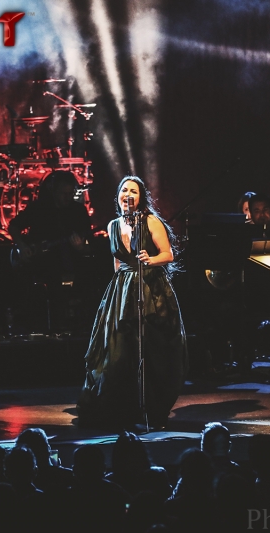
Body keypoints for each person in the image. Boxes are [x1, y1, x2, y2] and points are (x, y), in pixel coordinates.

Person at [77, 176, 188, 429]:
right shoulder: (113, 225)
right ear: (118, 196)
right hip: (123, 289)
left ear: (141, 198)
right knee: (118, 350)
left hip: (151, 288)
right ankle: (120, 408)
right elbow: (117, 262)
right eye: (124, 190)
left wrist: (151, 259)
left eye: (134, 191)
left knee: (149, 347)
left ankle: (150, 407)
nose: (128, 195)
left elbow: (168, 254)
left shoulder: (150, 221)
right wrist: (117, 294)